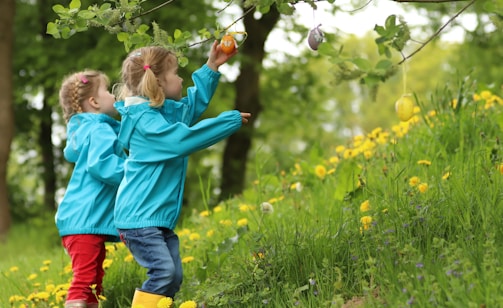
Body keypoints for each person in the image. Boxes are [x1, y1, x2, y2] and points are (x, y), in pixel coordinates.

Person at [113, 41, 250, 307]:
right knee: (164, 273)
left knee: (173, 277)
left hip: (153, 218)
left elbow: (188, 109)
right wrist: (227, 121)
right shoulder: (146, 123)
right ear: (159, 84)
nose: (180, 79)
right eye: (175, 74)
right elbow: (180, 140)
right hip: (139, 219)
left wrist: (211, 67)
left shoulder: (158, 114)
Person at [55, 70, 126, 308]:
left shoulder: (89, 130)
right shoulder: (99, 129)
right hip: (83, 220)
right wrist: (133, 171)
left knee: (95, 281)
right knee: (85, 280)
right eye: (107, 90)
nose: (112, 94)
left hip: (80, 220)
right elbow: (102, 165)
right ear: (94, 102)